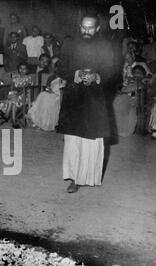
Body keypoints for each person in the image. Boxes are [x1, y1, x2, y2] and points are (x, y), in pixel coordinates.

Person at [57, 13, 115, 193]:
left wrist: (98, 76)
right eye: (83, 27)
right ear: (80, 26)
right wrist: (74, 74)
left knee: (91, 140)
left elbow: (112, 71)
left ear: (97, 28)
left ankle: (87, 177)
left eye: (90, 27)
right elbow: (60, 66)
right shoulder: (69, 43)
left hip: (95, 99)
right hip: (74, 98)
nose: (86, 31)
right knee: (73, 140)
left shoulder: (105, 45)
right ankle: (74, 179)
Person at [27, 60, 66, 131]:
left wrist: (54, 92)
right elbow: (47, 88)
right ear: (55, 68)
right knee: (43, 95)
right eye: (57, 67)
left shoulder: (64, 79)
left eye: (62, 68)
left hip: (58, 96)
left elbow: (63, 90)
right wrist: (49, 90)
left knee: (48, 99)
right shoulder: (51, 77)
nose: (58, 69)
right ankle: (42, 122)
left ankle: (48, 124)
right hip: (50, 93)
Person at [113, 65, 147, 137]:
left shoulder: (142, 83)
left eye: (139, 72)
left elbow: (136, 93)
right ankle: (117, 129)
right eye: (135, 72)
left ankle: (124, 130)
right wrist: (122, 90)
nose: (136, 74)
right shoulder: (129, 80)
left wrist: (124, 93)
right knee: (117, 103)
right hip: (124, 98)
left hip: (134, 100)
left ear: (143, 75)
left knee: (119, 103)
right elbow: (121, 88)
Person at [0, 62, 33, 128]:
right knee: (13, 98)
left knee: (13, 97)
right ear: (18, 69)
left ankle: (6, 115)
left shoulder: (29, 78)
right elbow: (12, 88)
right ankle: (14, 122)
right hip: (14, 96)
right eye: (20, 68)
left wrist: (17, 94)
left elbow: (25, 89)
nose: (22, 70)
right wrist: (14, 93)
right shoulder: (15, 77)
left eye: (24, 69)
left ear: (27, 70)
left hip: (24, 96)